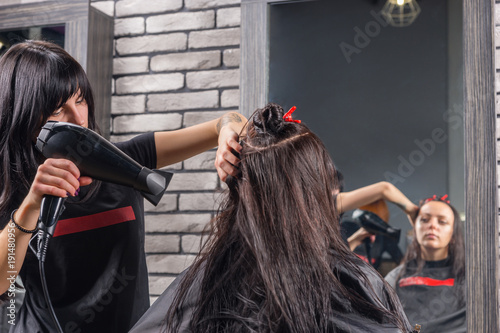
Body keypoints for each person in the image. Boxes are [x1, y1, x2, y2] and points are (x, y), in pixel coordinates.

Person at [0, 40, 246, 332]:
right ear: (24, 116)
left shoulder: (127, 160)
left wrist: (228, 135)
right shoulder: (10, 189)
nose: (79, 119)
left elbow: (229, 121)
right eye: (57, 109)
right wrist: (31, 206)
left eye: (80, 100)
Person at [129, 103, 413, 333]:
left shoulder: (201, 286)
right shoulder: (358, 283)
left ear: (239, 194)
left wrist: (230, 127)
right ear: (316, 191)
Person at [385, 195, 465, 333]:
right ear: (415, 229)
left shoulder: (471, 278)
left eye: (442, 221)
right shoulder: (395, 278)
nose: (432, 225)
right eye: (424, 220)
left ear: (453, 235)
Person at [335, 180, 419, 269]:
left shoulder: (385, 237)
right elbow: (336, 259)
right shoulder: (346, 227)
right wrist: (356, 239)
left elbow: (401, 262)